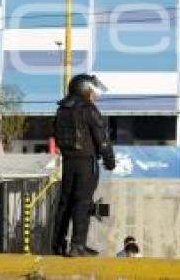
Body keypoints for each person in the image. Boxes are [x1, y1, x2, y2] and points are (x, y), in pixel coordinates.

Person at [51, 74, 115, 257]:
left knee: (65, 203)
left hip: (68, 161)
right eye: (92, 91)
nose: (95, 95)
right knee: (83, 202)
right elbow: (101, 138)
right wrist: (110, 160)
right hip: (87, 162)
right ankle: (77, 245)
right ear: (85, 90)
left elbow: (56, 134)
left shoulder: (62, 110)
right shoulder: (88, 109)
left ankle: (57, 244)